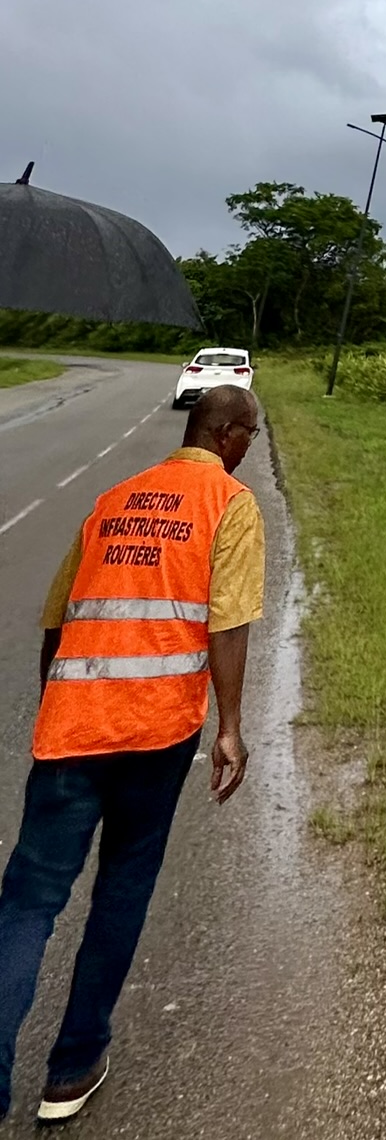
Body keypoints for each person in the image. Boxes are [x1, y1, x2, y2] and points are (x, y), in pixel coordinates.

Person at [0, 385, 264, 1125]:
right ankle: (71, 1069)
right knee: (120, 891)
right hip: (154, 736)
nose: (246, 447)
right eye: (249, 434)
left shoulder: (112, 500)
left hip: (71, 732)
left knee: (26, 904)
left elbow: (57, 621)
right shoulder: (229, 504)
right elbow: (229, 625)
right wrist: (231, 728)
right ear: (229, 432)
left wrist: (60, 699)